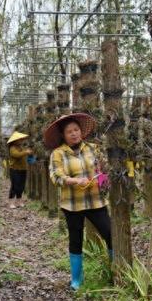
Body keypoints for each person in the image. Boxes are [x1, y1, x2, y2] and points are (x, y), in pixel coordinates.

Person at [44, 113, 113, 290]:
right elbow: (56, 176)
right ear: (63, 135)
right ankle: (77, 280)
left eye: (76, 130)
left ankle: (117, 272)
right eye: (69, 131)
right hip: (72, 205)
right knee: (75, 240)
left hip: (96, 202)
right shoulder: (58, 154)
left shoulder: (93, 149)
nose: (74, 134)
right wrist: (74, 181)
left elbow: (104, 169)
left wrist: (104, 178)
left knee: (110, 234)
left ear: (81, 131)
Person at [7, 131, 32, 209]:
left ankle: (19, 202)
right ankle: (11, 202)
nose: (21, 140)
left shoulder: (21, 148)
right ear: (15, 140)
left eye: (22, 139)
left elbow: (24, 156)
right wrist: (26, 152)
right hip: (14, 170)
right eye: (20, 139)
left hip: (23, 169)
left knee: (21, 186)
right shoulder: (12, 148)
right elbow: (16, 155)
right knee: (15, 186)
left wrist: (29, 154)